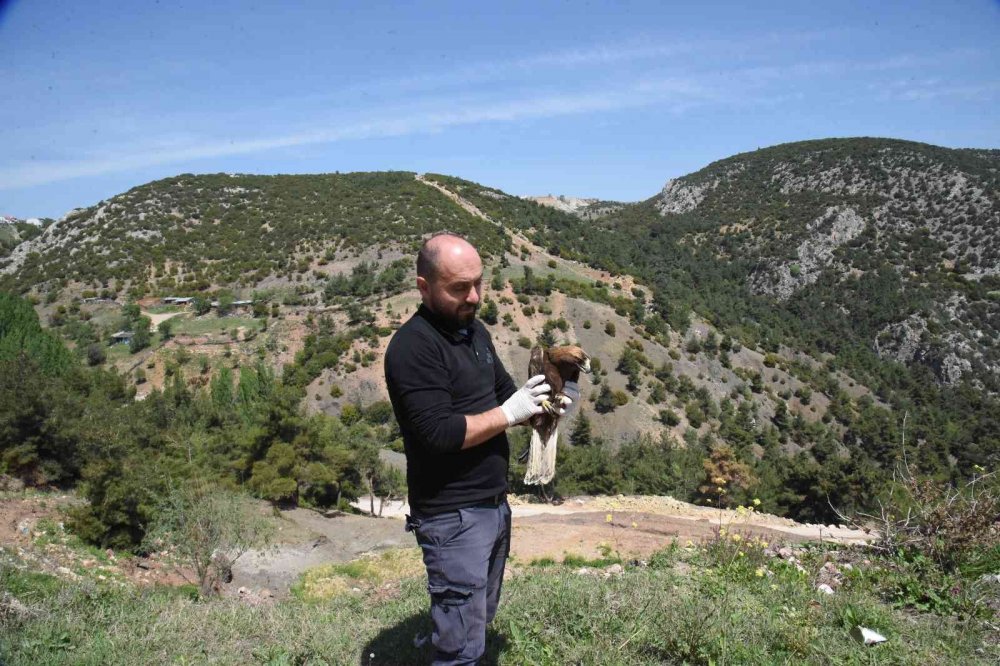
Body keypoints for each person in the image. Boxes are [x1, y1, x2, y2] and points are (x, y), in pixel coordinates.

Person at [384, 232, 578, 665]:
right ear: (423, 287)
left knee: (478, 619)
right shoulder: (413, 347)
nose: (473, 296)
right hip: (452, 515)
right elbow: (439, 434)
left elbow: (510, 397)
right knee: (460, 649)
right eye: (458, 288)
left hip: (492, 506)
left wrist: (551, 401)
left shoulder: (475, 333)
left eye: (478, 283)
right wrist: (511, 413)